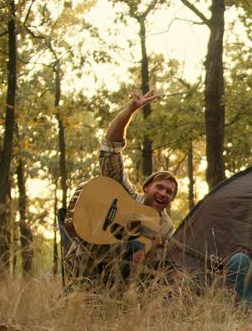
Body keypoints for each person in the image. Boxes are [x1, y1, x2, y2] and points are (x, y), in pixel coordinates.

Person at [64, 90, 178, 288]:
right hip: (87, 265)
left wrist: (157, 252)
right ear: (146, 187)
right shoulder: (125, 196)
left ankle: (119, 305)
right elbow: (109, 150)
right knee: (135, 246)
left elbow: (154, 271)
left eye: (169, 192)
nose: (163, 193)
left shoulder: (165, 227)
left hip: (130, 288)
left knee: (145, 254)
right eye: (160, 187)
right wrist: (130, 111)